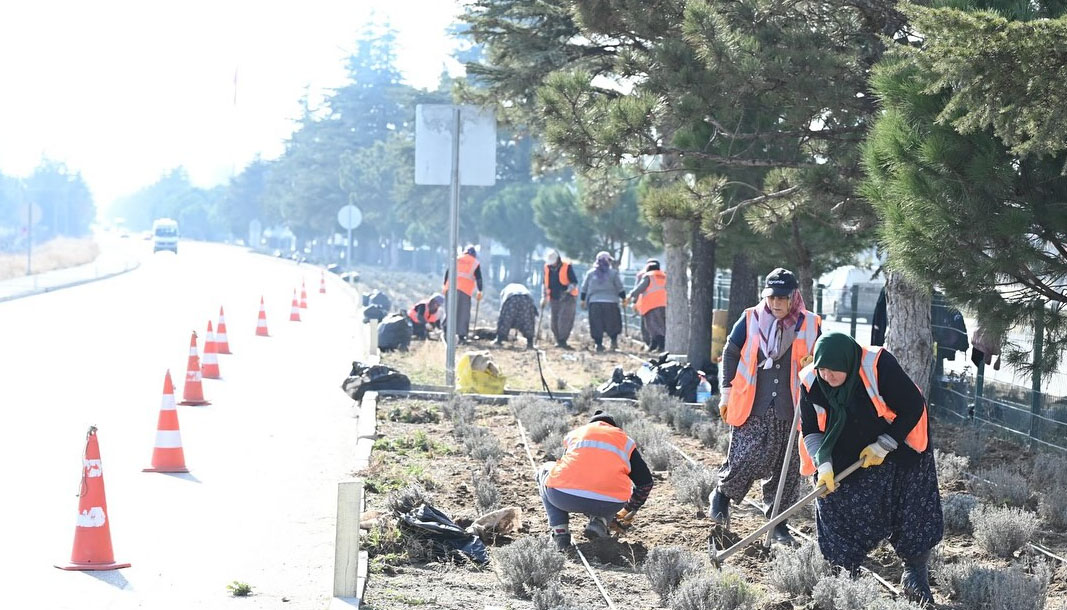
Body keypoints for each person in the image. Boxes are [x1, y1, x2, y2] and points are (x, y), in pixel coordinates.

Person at [799, 332, 941, 605]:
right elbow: (811, 429)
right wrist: (823, 464)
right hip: (843, 447)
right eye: (822, 369)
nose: (826, 376)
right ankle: (843, 574)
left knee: (911, 507)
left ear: (848, 364)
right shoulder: (811, 382)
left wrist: (884, 444)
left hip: (900, 443)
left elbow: (913, 406)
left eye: (833, 370)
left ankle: (915, 574)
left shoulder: (879, 365)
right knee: (834, 504)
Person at [711, 268, 821, 546]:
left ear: (794, 296)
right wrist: (726, 391)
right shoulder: (750, 319)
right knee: (746, 457)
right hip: (753, 404)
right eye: (772, 297)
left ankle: (778, 523)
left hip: (792, 407)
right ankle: (722, 495)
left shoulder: (811, 324)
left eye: (782, 298)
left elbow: (822, 358)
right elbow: (731, 352)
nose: (776, 303)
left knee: (787, 466)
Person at [537, 410, 654, 551]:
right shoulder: (625, 440)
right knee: (606, 486)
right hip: (610, 504)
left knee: (545, 470)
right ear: (613, 427)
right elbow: (645, 482)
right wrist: (630, 508)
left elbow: (565, 469)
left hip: (563, 496)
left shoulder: (577, 433)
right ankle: (600, 521)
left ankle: (560, 531)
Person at [580, 251, 625, 352]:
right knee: (613, 323)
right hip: (611, 303)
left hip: (594, 303)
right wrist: (624, 298)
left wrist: (582, 300)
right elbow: (620, 288)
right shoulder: (613, 273)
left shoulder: (590, 273)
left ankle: (598, 344)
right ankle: (613, 342)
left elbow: (584, 288)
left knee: (596, 324)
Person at [442, 245, 483, 343]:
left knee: (450, 310)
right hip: (465, 291)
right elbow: (479, 278)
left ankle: (446, 331)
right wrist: (480, 290)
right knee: (463, 313)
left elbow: (447, 272)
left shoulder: (457, 259)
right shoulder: (475, 262)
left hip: (450, 288)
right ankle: (461, 336)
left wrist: (444, 286)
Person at [542, 249, 579, 349]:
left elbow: (574, 282)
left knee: (565, 319)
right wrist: (544, 297)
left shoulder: (567, 266)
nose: (552, 265)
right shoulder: (546, 267)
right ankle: (558, 339)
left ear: (558, 260)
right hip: (554, 297)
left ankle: (563, 340)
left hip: (568, 297)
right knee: (554, 319)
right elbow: (544, 284)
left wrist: (567, 291)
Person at [627, 259, 667, 352]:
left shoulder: (648, 276)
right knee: (661, 325)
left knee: (652, 326)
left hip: (651, 305)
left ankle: (660, 346)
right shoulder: (664, 276)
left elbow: (639, 288)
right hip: (664, 305)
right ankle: (653, 345)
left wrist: (630, 296)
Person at [492, 283, 538, 349]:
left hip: (512, 299)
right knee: (527, 320)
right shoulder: (522, 288)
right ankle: (530, 343)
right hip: (526, 299)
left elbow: (502, 312)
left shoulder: (505, 291)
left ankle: (499, 340)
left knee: (506, 319)